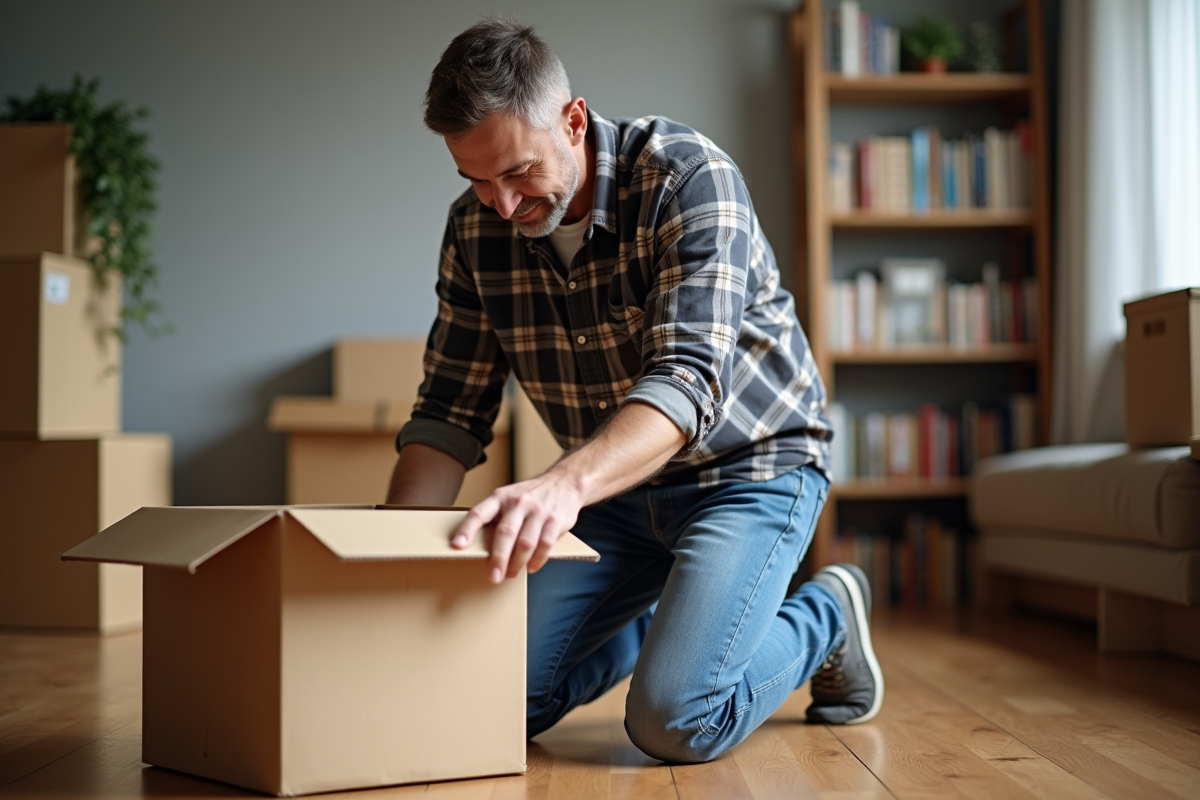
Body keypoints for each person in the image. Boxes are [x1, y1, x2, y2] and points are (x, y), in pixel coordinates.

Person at [386, 18, 883, 763]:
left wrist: (561, 487)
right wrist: (390, 563)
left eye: (519, 172)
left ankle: (829, 611)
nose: (502, 205)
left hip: (749, 471)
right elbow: (449, 411)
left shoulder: (687, 177)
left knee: (674, 720)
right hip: (617, 495)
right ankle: (674, 627)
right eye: (476, 180)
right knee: (485, 702)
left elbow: (684, 382)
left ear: (573, 120)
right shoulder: (473, 231)